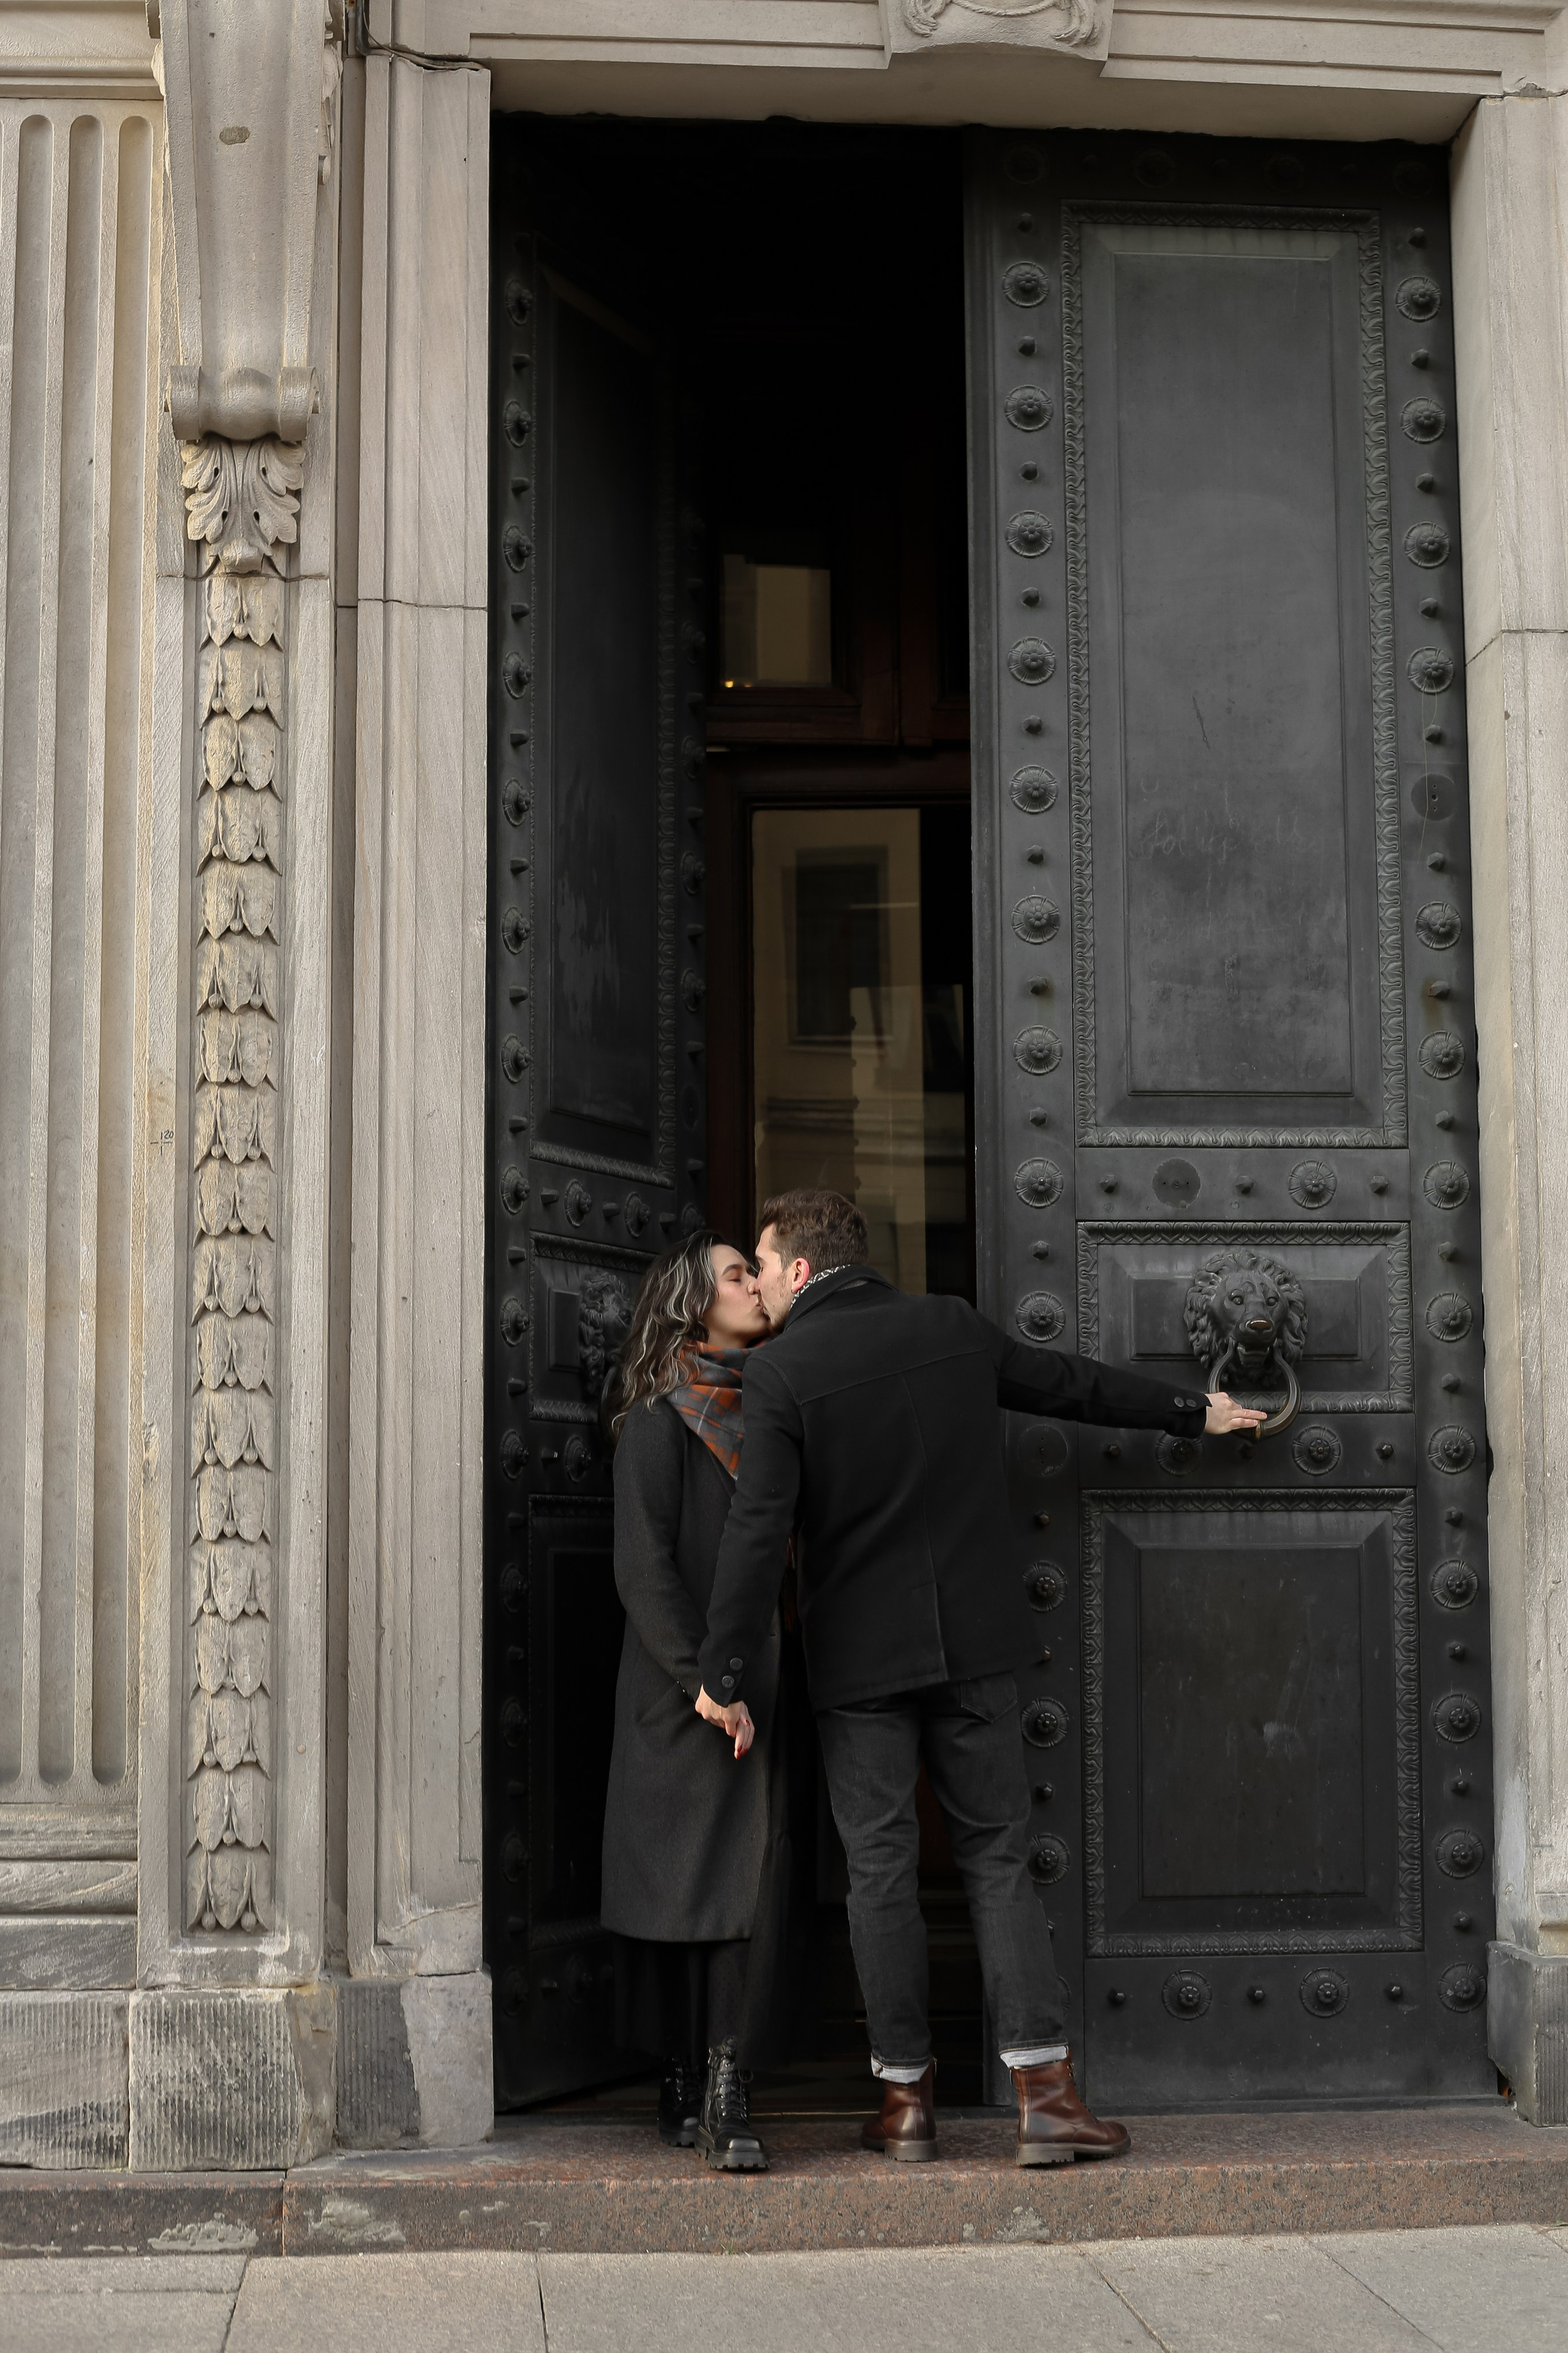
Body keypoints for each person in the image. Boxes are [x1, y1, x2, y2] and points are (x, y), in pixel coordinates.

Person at [694, 1187, 1265, 2169]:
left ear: (797, 1268)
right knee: (999, 1855)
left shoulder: (783, 1372)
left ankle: (906, 2104)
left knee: (879, 1869)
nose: (759, 1278)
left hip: (860, 1665)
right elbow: (1069, 1384)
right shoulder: (948, 1327)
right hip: (974, 1648)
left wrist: (725, 1668)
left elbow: (758, 1533)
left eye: (762, 1259)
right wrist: (1190, 1409)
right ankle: (1046, 2101)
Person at [601, 1229, 793, 2174]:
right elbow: (642, 1568)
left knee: (742, 1891)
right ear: (693, 1301)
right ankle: (684, 2072)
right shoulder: (657, 1419)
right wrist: (705, 1684)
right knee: (686, 1893)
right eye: (736, 1274)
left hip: (757, 1687)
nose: (756, 1285)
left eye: (754, 1272)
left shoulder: (778, 1407)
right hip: (683, 1693)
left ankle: (726, 2080)